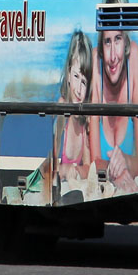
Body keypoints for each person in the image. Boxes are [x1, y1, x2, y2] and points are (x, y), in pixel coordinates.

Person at [89, 29, 138, 194]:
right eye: (107, 42)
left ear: (126, 43)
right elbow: (93, 163)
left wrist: (127, 163)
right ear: (101, 47)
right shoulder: (96, 60)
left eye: (118, 40)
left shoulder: (133, 55)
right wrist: (114, 170)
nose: (113, 56)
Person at [55, 30, 94, 181]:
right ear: (68, 74)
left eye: (84, 82)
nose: (79, 89)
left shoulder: (84, 121)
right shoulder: (61, 111)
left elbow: (88, 167)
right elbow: (49, 164)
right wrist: (65, 170)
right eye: (76, 76)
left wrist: (77, 170)